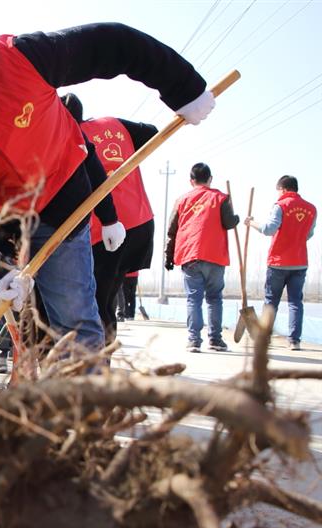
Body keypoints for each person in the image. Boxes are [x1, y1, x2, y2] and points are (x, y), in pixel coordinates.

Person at [0, 21, 215, 414]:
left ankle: (88, 421)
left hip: (58, 199)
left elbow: (115, 43)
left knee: (74, 314)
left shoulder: (18, 60)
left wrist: (183, 86)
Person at [61, 93, 157, 342]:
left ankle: (100, 366)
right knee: (107, 298)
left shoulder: (67, 137)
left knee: (98, 302)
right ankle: (101, 360)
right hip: (140, 223)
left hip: (105, 229)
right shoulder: (113, 124)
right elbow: (154, 132)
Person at [164, 163, 238, 353]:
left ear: (191, 181)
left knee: (193, 299)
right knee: (214, 298)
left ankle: (194, 340)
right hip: (214, 256)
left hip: (190, 255)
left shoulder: (181, 200)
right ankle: (215, 339)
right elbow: (229, 223)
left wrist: (168, 255)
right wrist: (236, 218)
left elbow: (172, 230)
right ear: (210, 179)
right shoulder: (221, 198)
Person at [245, 176, 316, 350]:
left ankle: (265, 338)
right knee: (295, 302)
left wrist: (250, 222)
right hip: (299, 262)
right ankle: (294, 341)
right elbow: (309, 234)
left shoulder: (280, 206)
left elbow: (269, 229)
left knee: (271, 301)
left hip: (278, 262)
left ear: (283, 189)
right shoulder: (311, 208)